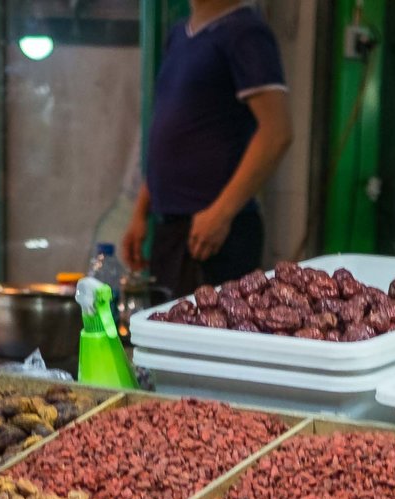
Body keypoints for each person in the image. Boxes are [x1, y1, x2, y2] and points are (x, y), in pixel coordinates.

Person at [124, 0, 293, 299]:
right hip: (171, 227)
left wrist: (221, 214)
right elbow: (175, 137)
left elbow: (277, 132)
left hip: (214, 236)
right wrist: (141, 212)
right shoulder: (179, 35)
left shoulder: (246, 32)